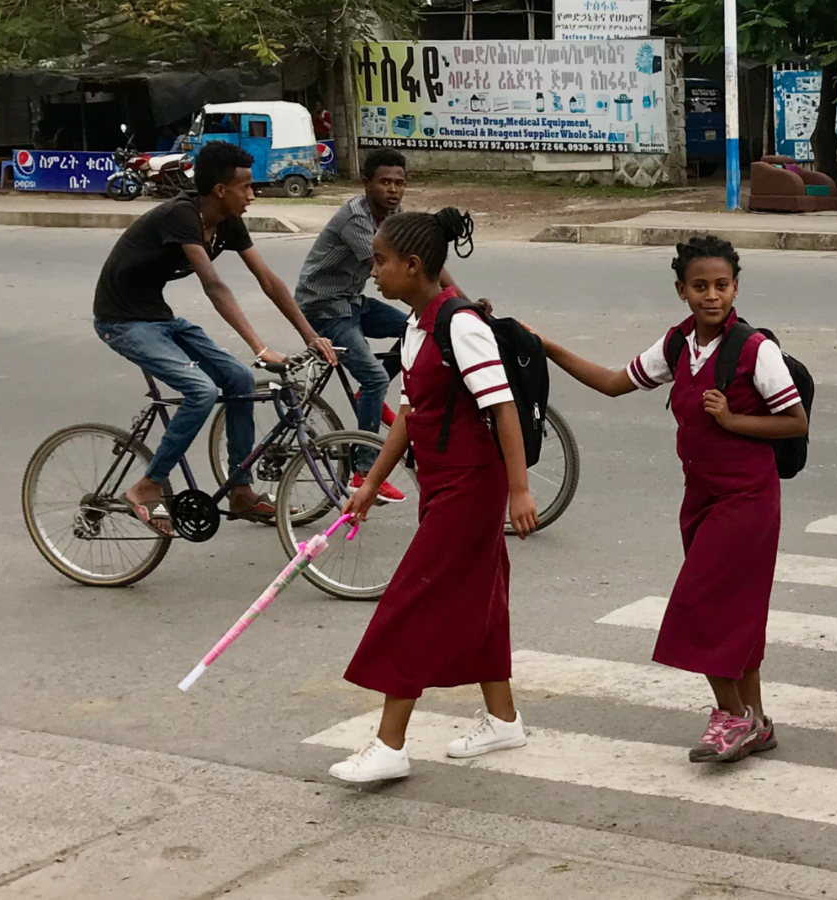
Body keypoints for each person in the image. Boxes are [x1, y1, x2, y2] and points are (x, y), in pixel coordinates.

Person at [541, 235, 808, 763]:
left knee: (701, 606)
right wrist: (548, 349)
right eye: (700, 286)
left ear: (736, 287)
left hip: (748, 499)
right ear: (682, 291)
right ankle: (757, 723)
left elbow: (794, 421)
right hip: (701, 497)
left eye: (722, 285)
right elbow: (616, 382)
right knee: (734, 610)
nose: (713, 296)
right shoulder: (677, 344)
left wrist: (731, 419)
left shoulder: (756, 350)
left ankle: (730, 718)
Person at [327, 209, 539, 783]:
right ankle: (503, 720)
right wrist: (370, 483)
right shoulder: (417, 324)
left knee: (412, 602)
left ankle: (390, 743)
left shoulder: (460, 325)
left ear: (413, 265)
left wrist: (519, 490)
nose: (372, 272)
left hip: (472, 486)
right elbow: (413, 411)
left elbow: (503, 409)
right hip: (442, 480)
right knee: (485, 599)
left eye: (379, 261)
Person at [93, 141, 337, 536]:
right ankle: (148, 485)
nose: (252, 195)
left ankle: (240, 491)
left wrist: (311, 336)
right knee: (201, 392)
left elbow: (268, 281)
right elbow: (214, 285)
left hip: (159, 317)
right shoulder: (181, 216)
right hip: (121, 321)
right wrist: (259, 347)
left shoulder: (227, 222)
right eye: (245, 187)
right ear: (221, 190)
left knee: (240, 380)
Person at [294, 149, 466, 502]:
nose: (393, 190)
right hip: (324, 307)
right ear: (366, 183)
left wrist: (461, 301)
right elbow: (397, 267)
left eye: (399, 183)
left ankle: (365, 398)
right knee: (373, 376)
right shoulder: (355, 219)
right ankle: (363, 472)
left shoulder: (395, 216)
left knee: (413, 327)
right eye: (385, 182)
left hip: (353, 301)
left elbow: (426, 263)